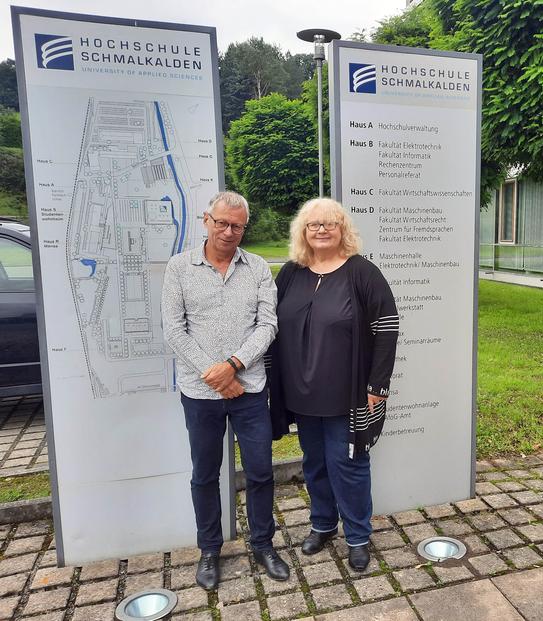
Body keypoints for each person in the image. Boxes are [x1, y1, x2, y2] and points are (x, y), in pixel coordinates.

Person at [161, 191, 289, 590]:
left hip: (249, 391)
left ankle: (263, 544)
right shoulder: (179, 267)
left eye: (237, 225)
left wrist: (233, 366)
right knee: (204, 474)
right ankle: (210, 550)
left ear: (243, 227)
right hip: (200, 395)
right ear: (207, 220)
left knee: (261, 470)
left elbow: (268, 325)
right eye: (222, 222)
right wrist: (212, 374)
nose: (229, 231)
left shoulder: (257, 269)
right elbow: (174, 329)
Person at [268, 197, 398, 572]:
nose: (322, 230)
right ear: (303, 232)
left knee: (349, 462)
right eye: (314, 225)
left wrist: (378, 384)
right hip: (301, 391)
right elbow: (272, 323)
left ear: (343, 230)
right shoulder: (291, 273)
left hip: (349, 392)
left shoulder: (362, 272)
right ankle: (322, 525)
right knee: (314, 461)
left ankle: (357, 536)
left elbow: (387, 327)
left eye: (330, 223)